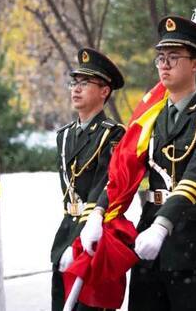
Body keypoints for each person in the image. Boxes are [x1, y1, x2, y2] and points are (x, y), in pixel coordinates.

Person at [81, 15, 196, 310]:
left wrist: (163, 226)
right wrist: (98, 212)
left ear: (195, 64)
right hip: (149, 232)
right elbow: (125, 168)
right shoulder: (150, 117)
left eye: (174, 57)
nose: (164, 64)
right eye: (161, 58)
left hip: (194, 236)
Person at [50, 48, 125, 311]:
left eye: (85, 83)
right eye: (74, 83)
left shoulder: (113, 135)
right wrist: (69, 242)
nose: (76, 89)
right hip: (67, 231)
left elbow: (106, 185)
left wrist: (79, 241)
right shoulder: (64, 135)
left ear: (104, 91)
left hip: (95, 235)